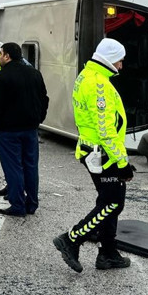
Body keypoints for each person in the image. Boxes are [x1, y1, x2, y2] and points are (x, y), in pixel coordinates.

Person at [54, 38, 134, 272]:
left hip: (93, 151)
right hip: (104, 155)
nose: (121, 66)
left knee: (108, 201)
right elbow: (106, 131)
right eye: (119, 60)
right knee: (113, 203)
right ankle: (72, 238)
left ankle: (108, 253)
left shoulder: (87, 76)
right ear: (110, 59)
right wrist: (122, 162)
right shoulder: (99, 84)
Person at [0, 42, 49, 216]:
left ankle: (17, 204)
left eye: (1, 54)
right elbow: (44, 99)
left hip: (8, 130)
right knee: (31, 166)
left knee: (13, 167)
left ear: (7, 56)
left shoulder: (0, 77)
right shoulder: (35, 74)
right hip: (30, 128)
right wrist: (39, 119)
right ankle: (32, 203)